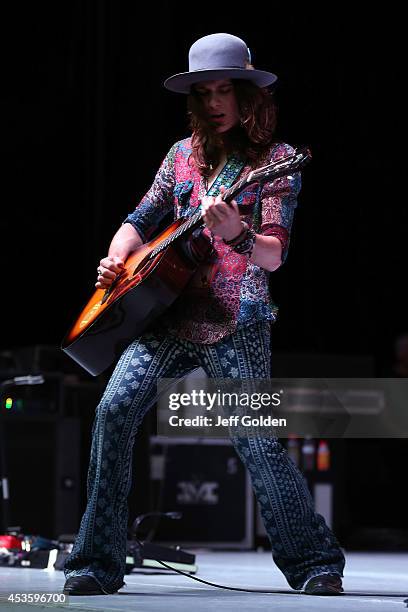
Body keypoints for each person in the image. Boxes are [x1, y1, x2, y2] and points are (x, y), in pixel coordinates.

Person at [63, 33, 345, 596]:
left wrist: (238, 232)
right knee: (114, 411)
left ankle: (316, 561)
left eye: (225, 90)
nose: (215, 101)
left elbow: (274, 254)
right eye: (205, 92)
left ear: (248, 96)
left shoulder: (277, 162)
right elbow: (139, 219)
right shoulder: (180, 156)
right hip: (166, 312)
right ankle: (94, 563)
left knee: (254, 440)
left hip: (237, 318)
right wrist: (116, 260)